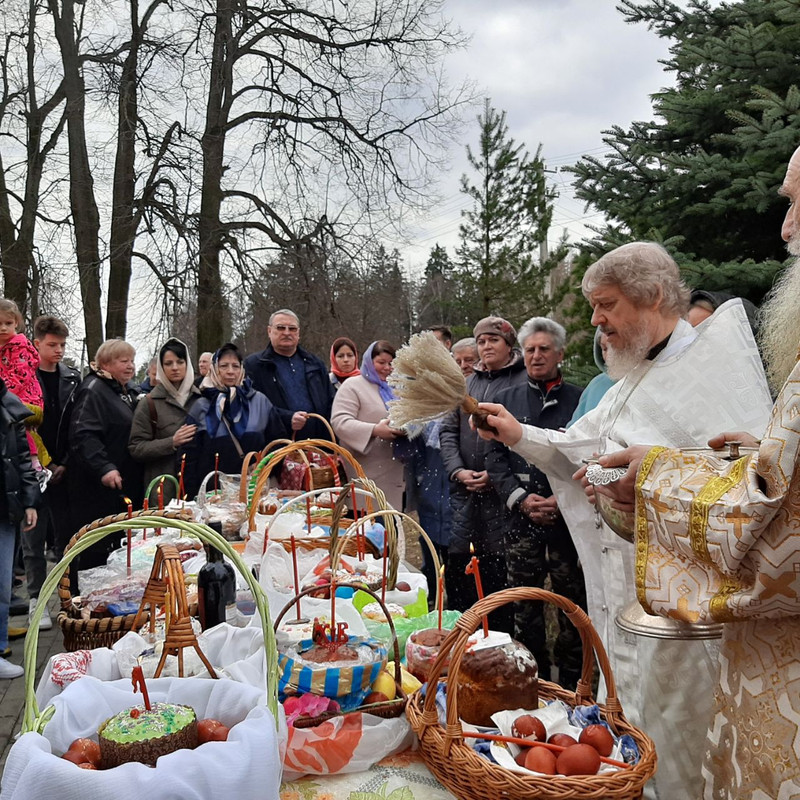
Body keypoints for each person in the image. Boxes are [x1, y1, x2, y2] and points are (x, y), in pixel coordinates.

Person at [475, 243, 772, 799]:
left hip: (683, 623)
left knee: (677, 748)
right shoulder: (639, 371)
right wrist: (518, 434)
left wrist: (645, 485)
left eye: (606, 304)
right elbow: (585, 448)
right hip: (626, 603)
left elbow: (746, 490)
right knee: (632, 738)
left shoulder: (711, 372)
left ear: (654, 296)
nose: (595, 321)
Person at [578, 144, 800, 799]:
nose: (784, 228)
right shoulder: (633, 373)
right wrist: (750, 455)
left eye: (794, 202)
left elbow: (776, 533)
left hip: (711, 637)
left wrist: (656, 476)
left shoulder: (706, 363)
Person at [485, 317, 585, 688]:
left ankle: (576, 686)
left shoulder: (579, 399)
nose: (536, 356)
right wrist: (522, 499)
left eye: (544, 349)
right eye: (530, 349)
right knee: (525, 610)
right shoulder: (505, 401)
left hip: (567, 525)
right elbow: (493, 458)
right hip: (521, 525)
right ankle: (532, 685)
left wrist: (564, 498)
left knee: (572, 608)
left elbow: (586, 454)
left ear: (559, 354)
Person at [439, 316, 526, 634]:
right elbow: (448, 431)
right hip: (464, 496)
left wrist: (497, 476)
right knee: (461, 570)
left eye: (493, 340)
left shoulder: (521, 381)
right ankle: (461, 638)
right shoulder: (466, 385)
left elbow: (525, 436)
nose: (486, 346)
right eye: (481, 341)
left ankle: (497, 643)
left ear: (509, 344)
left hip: (502, 498)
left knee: (496, 574)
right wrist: (458, 470)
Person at [67, 340, 144, 575]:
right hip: (96, 490)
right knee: (96, 552)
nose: (130, 366)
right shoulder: (93, 390)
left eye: (132, 360)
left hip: (122, 486)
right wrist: (104, 468)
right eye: (124, 361)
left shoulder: (125, 391)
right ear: (105, 364)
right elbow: (83, 433)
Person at [22, 317, 79, 632]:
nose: (58, 351)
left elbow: (77, 424)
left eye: (62, 345)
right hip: (32, 468)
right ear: (37, 343)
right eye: (52, 345)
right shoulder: (23, 377)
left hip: (65, 467)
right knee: (32, 539)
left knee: (66, 537)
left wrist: (65, 462)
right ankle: (36, 601)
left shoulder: (71, 378)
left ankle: (67, 596)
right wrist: (41, 464)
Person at [182, 343, 282, 498]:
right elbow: (189, 455)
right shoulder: (201, 406)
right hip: (213, 494)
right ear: (214, 368)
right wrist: (191, 494)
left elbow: (278, 443)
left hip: (253, 491)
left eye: (235, 366)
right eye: (224, 366)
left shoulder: (260, 402)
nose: (230, 371)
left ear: (242, 369)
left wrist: (265, 467)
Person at [404, 330, 453, 602]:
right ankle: (432, 597)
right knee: (429, 537)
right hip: (429, 475)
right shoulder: (418, 383)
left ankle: (457, 600)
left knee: (453, 545)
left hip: (454, 472)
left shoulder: (456, 383)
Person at [331, 341, 405, 510]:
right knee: (368, 524)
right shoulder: (352, 386)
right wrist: (374, 430)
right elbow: (340, 422)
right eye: (381, 363)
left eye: (391, 363)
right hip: (365, 469)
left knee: (391, 525)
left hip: (395, 470)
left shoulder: (397, 388)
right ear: (369, 362)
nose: (387, 368)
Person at [0, 377, 40, 679]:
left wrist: (29, 503)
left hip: (5, 510)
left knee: (2, 585)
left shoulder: (8, 402)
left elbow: (23, 459)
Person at [243, 309, 334, 441]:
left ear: (298, 333)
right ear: (269, 331)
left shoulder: (315, 363)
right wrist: (287, 418)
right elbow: (252, 406)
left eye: (292, 329)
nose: (286, 333)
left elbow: (330, 401)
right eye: (280, 328)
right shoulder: (254, 365)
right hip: (276, 444)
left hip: (318, 443)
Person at [128, 338, 199, 502]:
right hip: (163, 491)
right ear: (161, 367)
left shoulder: (201, 400)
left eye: (180, 362)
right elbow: (136, 447)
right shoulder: (149, 402)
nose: (175, 368)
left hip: (196, 489)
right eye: (168, 363)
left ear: (187, 364)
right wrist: (172, 442)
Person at [567, 330, 615, 424]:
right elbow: (573, 429)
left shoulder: (648, 381)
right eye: (604, 349)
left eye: (613, 347)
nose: (609, 355)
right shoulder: (596, 385)